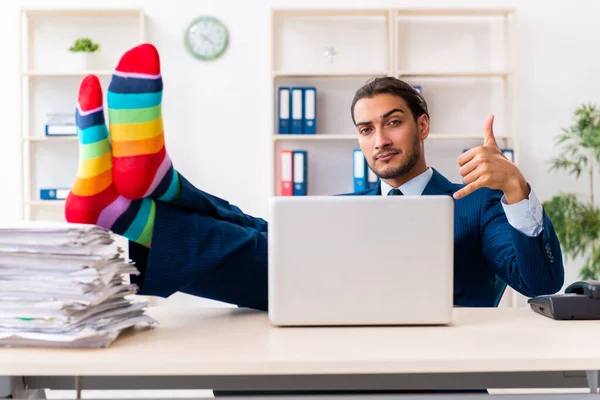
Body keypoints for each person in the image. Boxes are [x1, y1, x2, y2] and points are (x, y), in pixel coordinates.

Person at [65, 44, 564, 311]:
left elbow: (539, 282)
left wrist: (516, 191)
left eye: (393, 122)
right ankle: (149, 191)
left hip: (428, 353)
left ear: (422, 125)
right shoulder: (344, 206)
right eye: (366, 129)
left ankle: (132, 205)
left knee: (270, 253)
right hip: (333, 334)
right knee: (253, 229)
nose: (379, 140)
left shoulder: (475, 201)